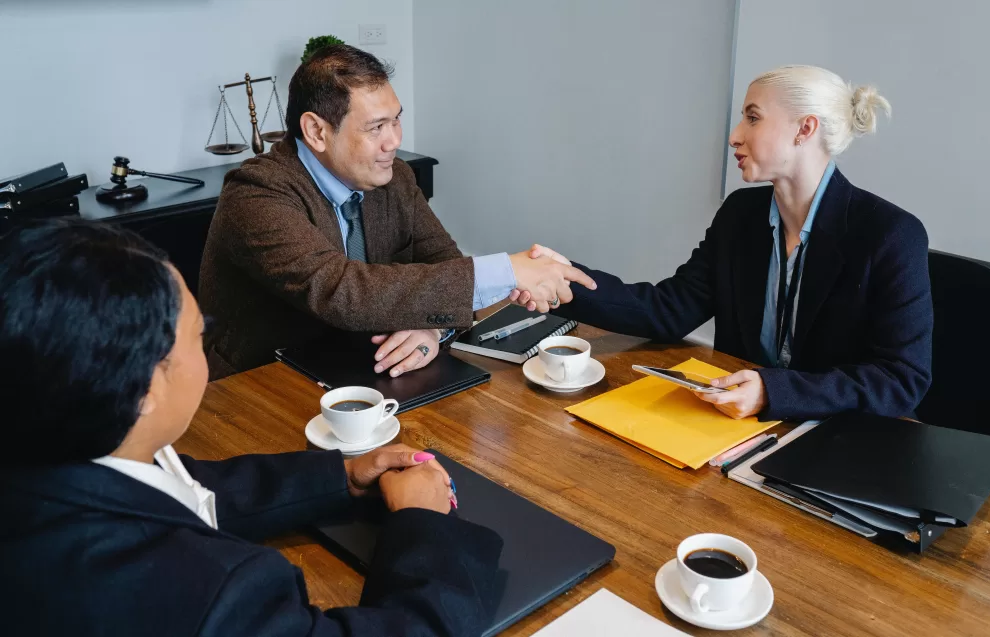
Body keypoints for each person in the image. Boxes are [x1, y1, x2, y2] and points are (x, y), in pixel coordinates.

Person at [0, 219, 502, 636]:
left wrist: (341, 477)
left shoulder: (45, 450)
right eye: (198, 336)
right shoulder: (213, 591)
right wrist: (422, 522)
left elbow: (183, 486)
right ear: (144, 389)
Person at [513, 66, 933, 422]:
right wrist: (564, 279)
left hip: (832, 444)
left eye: (753, 118)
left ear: (805, 129)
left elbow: (901, 379)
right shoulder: (741, 215)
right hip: (728, 431)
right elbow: (667, 310)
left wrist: (773, 392)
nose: (734, 136)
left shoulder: (890, 235)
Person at [200, 44, 594, 380]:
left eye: (396, 119)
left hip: (368, 371)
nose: (394, 140)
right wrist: (507, 270)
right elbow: (340, 290)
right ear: (317, 131)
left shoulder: (396, 177)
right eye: (375, 128)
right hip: (258, 389)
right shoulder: (256, 193)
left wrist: (430, 333)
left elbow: (445, 265)